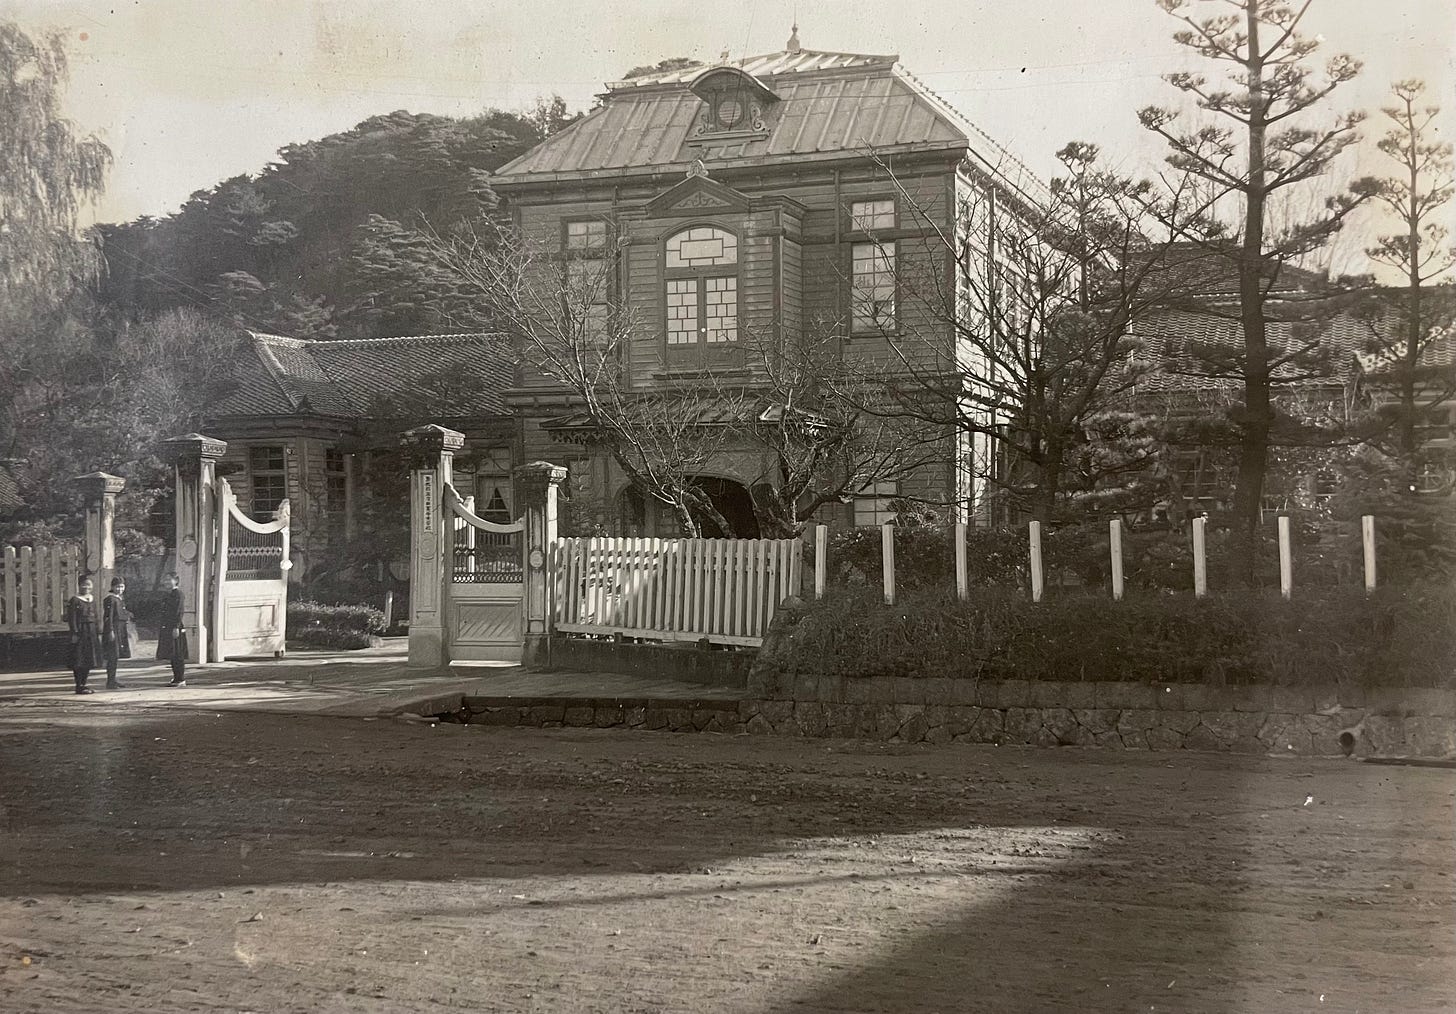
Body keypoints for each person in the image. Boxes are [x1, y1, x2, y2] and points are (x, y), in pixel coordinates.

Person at [66, 575, 104, 695]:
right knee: (79, 659)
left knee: (89, 658)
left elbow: (97, 617)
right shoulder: (75, 600)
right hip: (80, 631)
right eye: (84, 584)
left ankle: (84, 684)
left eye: (89, 585)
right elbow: (72, 619)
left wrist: (98, 631)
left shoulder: (92, 599)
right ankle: (79, 685)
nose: (86, 587)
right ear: (79, 585)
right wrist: (75, 633)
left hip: (91, 631)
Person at [156, 573, 187, 687]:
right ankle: (176, 677)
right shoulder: (168, 594)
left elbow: (178, 612)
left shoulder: (178, 594)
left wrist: (176, 626)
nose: (167, 582)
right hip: (167, 626)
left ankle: (181, 678)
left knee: (178, 653)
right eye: (165, 579)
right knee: (172, 653)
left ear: (176, 581)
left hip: (175, 627)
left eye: (169, 579)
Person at [101, 576, 133, 690]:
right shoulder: (110, 599)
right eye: (117, 586)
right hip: (113, 629)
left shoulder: (119, 599)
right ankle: (110, 681)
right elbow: (108, 617)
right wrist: (110, 631)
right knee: (112, 656)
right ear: (112, 587)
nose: (120, 589)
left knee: (116, 656)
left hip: (120, 629)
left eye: (122, 586)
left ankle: (113, 679)